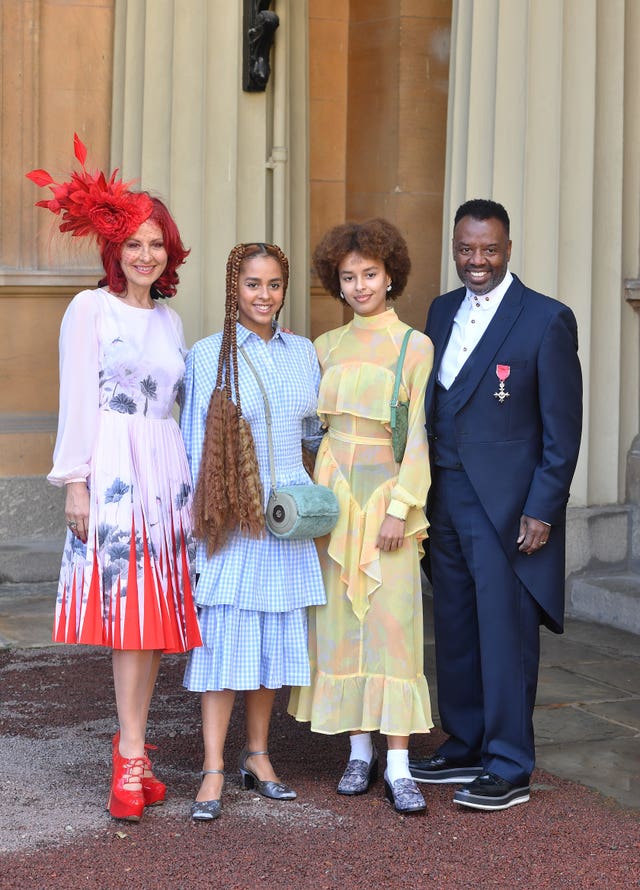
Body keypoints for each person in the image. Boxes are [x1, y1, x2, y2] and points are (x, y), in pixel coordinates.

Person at [26, 134, 202, 822]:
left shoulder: (170, 317)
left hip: (168, 473)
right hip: (116, 471)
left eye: (156, 243)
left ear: (169, 252)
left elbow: (179, 407)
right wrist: (76, 480)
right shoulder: (88, 309)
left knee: (154, 623)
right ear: (114, 249)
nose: (145, 254)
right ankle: (129, 756)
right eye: (134, 242)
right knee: (130, 621)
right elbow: (77, 397)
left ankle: (135, 749)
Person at [409, 198, 582, 810]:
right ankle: (467, 742)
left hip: (509, 508)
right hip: (445, 496)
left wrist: (543, 508)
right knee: (454, 624)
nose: (475, 260)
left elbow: (562, 432)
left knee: (504, 634)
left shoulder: (546, 319)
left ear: (508, 249)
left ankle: (509, 763)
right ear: (454, 247)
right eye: (465, 249)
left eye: (488, 249)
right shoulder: (441, 310)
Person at [288, 219, 434, 815]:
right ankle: (358, 751)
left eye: (369, 274)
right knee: (342, 625)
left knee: (394, 628)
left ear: (390, 273)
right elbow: (305, 431)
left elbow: (420, 435)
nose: (359, 286)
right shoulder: (323, 347)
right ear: (336, 282)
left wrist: (402, 508)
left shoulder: (413, 346)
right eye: (348, 277)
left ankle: (398, 761)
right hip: (333, 500)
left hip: (388, 497)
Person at [181, 242, 326, 822]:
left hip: (286, 518)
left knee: (270, 645)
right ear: (232, 289)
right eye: (252, 285)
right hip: (232, 518)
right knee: (222, 645)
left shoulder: (304, 354)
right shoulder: (207, 355)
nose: (263, 296)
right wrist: (199, 530)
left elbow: (315, 436)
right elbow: (196, 446)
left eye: (272, 285)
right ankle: (214, 767)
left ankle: (258, 757)